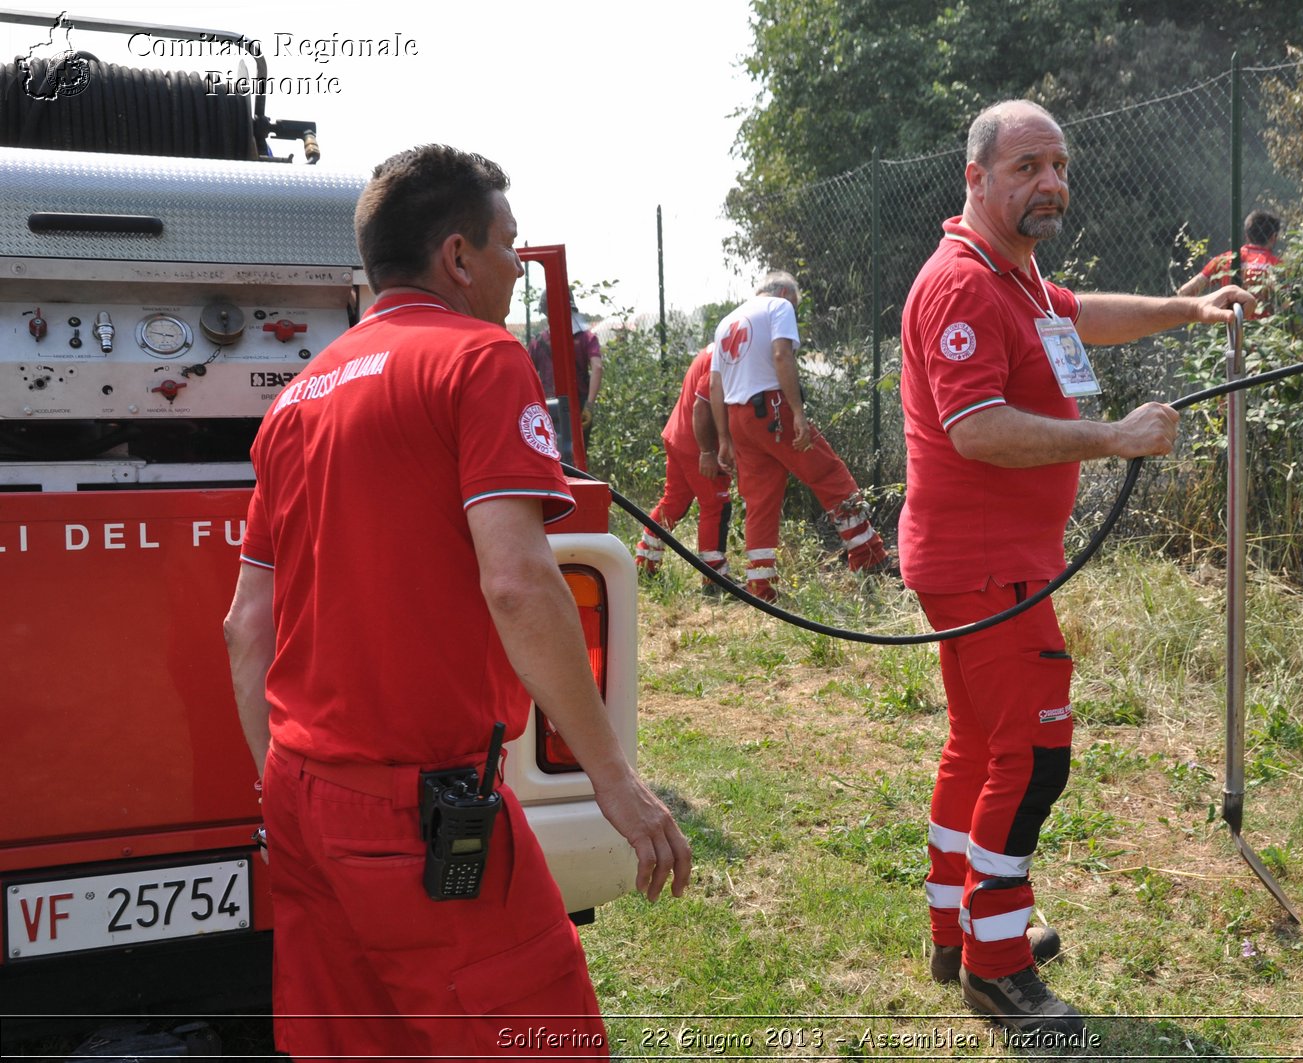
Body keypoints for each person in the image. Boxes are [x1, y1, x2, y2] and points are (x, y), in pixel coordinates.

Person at [222, 144, 692, 1062]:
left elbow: (245, 628)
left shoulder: (297, 401)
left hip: (300, 795)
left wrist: (279, 795)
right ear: (458, 257)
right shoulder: (479, 359)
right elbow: (518, 581)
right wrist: (614, 777)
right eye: (509, 245)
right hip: (418, 810)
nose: (519, 268)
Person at [899, 100, 1256, 1039]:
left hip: (994, 564)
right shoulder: (965, 286)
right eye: (1026, 167)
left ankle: (955, 928)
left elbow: (1084, 315)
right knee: (1033, 760)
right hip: (988, 569)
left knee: (979, 745)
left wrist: (1189, 304)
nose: (1049, 182)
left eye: (1058, 165)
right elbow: (975, 429)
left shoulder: (1015, 277)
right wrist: (1117, 437)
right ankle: (997, 967)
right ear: (974, 180)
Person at [708, 271, 890, 602]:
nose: (795, 310)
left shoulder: (726, 322)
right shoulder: (778, 306)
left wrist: (723, 438)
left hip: (738, 418)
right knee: (829, 474)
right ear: (781, 291)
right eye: (796, 303)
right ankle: (869, 557)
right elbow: (781, 355)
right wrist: (798, 413)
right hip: (773, 409)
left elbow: (714, 385)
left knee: (760, 502)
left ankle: (761, 587)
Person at [635, 344, 734, 592]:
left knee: (674, 502)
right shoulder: (726, 354)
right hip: (695, 443)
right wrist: (707, 452)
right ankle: (714, 578)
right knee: (716, 504)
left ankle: (645, 563)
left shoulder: (718, 347)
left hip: (678, 435)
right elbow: (702, 405)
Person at [1177, 208, 1282, 308]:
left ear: (1247, 235)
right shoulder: (1279, 266)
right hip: (1266, 326)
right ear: (1273, 237)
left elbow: (1184, 292)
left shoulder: (1224, 259)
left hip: (1229, 322)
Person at [530, 286, 605, 427]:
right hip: (578, 406)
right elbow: (598, 367)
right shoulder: (587, 338)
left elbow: (527, 376)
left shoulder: (537, 343)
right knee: (579, 448)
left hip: (547, 408)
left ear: (545, 312)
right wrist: (589, 406)